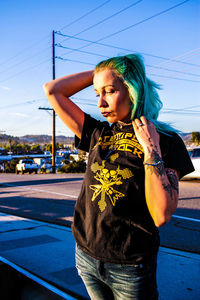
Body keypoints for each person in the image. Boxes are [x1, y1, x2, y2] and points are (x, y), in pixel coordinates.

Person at [43, 54, 194, 300]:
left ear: (133, 90)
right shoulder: (97, 131)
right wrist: (102, 74)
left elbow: (161, 215)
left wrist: (150, 149)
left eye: (110, 91)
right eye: (96, 93)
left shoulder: (165, 141)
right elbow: (53, 90)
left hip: (129, 266)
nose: (100, 102)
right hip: (86, 255)